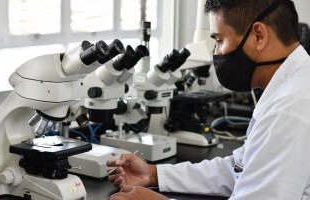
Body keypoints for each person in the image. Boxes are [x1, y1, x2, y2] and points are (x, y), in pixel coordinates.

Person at [107, 0, 310, 199]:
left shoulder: (291, 109)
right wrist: (153, 174)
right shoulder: (293, 86)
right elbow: (240, 169)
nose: (216, 52)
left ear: (258, 36)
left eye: (220, 40)